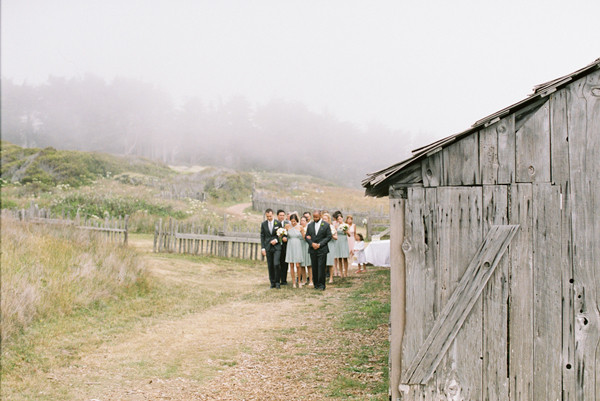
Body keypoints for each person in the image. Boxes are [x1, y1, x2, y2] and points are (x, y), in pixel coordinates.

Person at [305, 210, 332, 291]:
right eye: (314, 217)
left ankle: (322, 285)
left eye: (316, 217)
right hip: (312, 249)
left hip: (322, 249)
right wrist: (312, 243)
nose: (315, 218)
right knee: (314, 266)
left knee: (321, 267)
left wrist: (319, 244)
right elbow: (307, 236)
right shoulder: (310, 225)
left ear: (320, 216)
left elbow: (328, 236)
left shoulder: (326, 225)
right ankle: (316, 284)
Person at [260, 208, 283, 288]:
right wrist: (263, 248)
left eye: (270, 216)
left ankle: (277, 282)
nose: (269, 218)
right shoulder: (263, 224)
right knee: (270, 265)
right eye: (267, 216)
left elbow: (281, 235)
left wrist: (276, 240)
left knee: (276, 264)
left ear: (272, 214)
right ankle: (272, 283)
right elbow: (262, 236)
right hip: (268, 247)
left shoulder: (278, 223)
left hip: (276, 247)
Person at [285, 214, 304, 288]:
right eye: (292, 221)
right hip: (290, 245)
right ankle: (293, 282)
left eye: (294, 221)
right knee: (291, 265)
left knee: (298, 265)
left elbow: (304, 237)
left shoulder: (300, 227)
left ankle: (299, 281)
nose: (293, 223)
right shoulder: (287, 226)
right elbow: (284, 235)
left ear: (297, 220)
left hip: (298, 245)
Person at [322, 213, 337, 284]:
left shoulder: (332, 227)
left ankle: (331, 277)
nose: (324, 220)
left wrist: (331, 235)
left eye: (325, 219)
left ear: (328, 219)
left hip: (330, 245)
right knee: (323, 262)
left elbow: (336, 237)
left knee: (330, 262)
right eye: (323, 219)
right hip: (323, 245)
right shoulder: (321, 227)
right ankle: (323, 277)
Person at [276, 209, 289, 285]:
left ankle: (284, 280)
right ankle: (277, 279)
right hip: (277, 246)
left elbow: (289, 233)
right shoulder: (275, 224)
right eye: (280, 215)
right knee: (277, 263)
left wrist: (286, 238)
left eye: (283, 215)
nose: (282, 217)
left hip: (285, 246)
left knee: (284, 263)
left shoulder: (287, 224)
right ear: (277, 216)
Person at [335, 214, 350, 278]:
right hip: (338, 241)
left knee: (345, 257)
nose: (339, 220)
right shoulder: (336, 225)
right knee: (339, 258)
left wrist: (346, 231)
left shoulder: (346, 225)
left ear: (342, 218)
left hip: (344, 241)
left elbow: (349, 235)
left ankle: (346, 272)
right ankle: (341, 272)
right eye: (338, 219)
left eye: (340, 219)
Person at [300, 215, 312, 286]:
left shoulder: (309, 228)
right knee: (302, 265)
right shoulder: (299, 228)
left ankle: (310, 280)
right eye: (301, 220)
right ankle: (304, 280)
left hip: (307, 246)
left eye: (303, 221)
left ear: (306, 222)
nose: (302, 222)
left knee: (309, 264)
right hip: (301, 246)